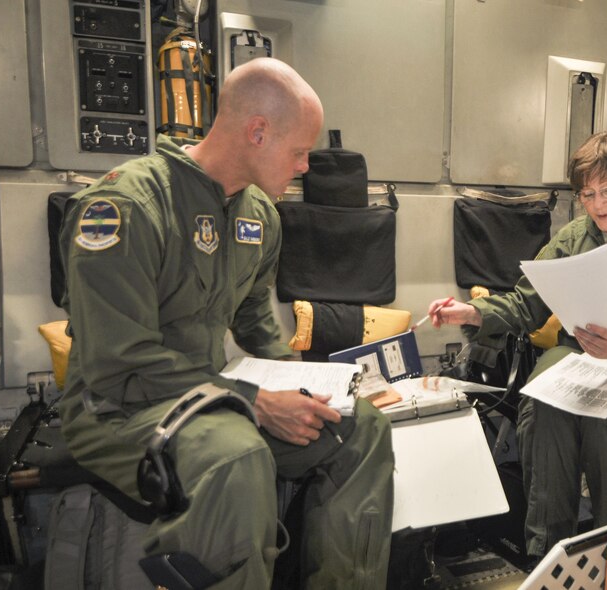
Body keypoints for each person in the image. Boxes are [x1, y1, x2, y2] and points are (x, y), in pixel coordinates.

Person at [58, 57, 394, 588]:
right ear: (257, 132)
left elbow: (256, 319)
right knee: (234, 455)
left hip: (210, 395)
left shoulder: (258, 214)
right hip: (117, 408)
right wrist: (255, 402)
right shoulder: (126, 207)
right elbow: (119, 362)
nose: (306, 166)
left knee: (360, 428)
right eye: (299, 151)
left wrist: (308, 391)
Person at [428, 129, 607, 558]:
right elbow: (527, 301)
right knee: (541, 404)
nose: (598, 204)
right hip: (585, 354)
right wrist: (472, 313)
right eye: (587, 194)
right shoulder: (574, 237)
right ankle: (551, 554)